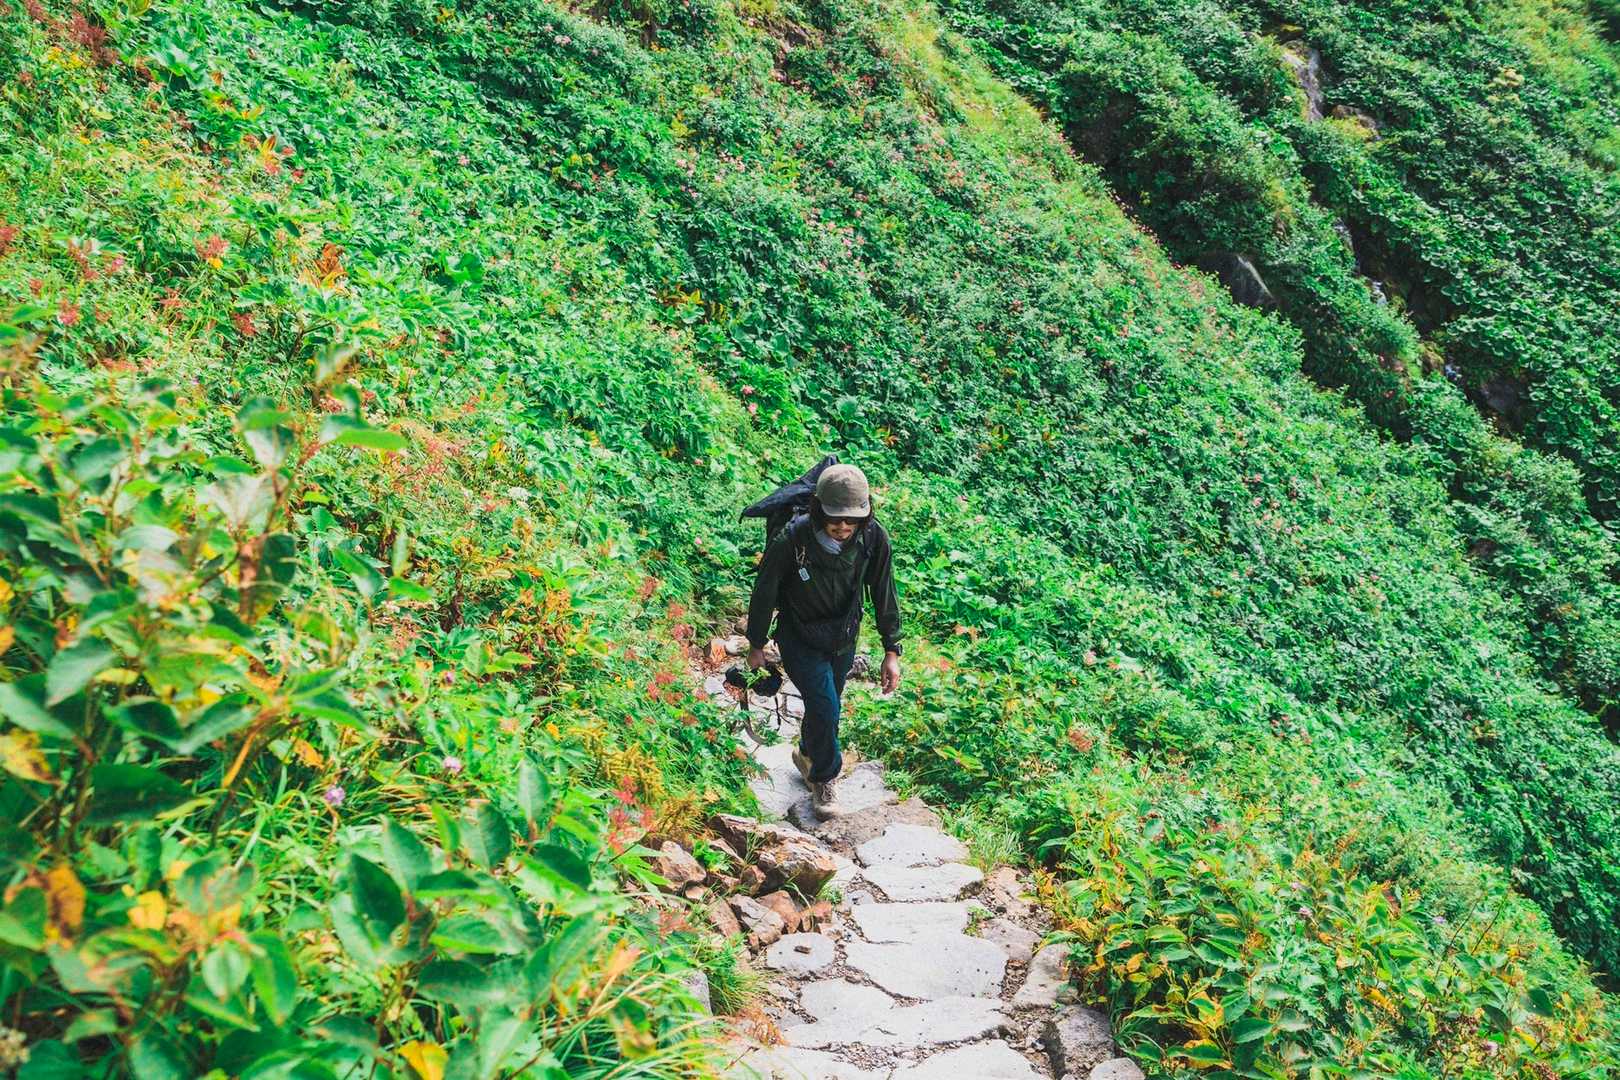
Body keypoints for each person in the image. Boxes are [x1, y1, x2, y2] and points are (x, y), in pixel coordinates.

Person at [745, 463, 902, 817]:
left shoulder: (873, 538)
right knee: (826, 706)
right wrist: (756, 645)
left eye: (852, 519)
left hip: (843, 635)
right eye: (835, 518)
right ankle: (825, 779)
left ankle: (807, 752)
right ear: (818, 509)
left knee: (826, 704)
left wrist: (891, 650)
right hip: (798, 635)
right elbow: (765, 591)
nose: (843, 526)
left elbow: (884, 592)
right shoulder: (793, 539)